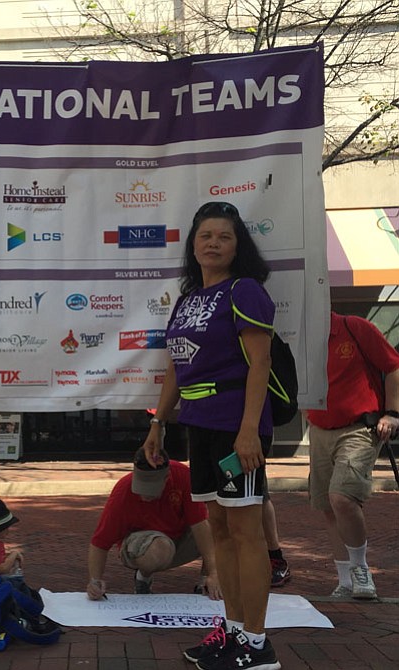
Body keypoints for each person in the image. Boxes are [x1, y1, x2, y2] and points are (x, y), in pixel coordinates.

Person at [143, 201, 280, 670]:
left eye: (224, 236)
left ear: (238, 245)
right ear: (193, 245)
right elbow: (175, 369)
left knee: (246, 534)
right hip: (198, 427)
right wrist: (159, 422)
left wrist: (248, 433)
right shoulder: (186, 300)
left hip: (235, 428)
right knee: (220, 532)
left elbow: (260, 364)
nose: (213, 243)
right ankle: (236, 632)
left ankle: (258, 646)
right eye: (206, 236)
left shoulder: (245, 292)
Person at [306, 311, 399, 599]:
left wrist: (393, 413)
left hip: (360, 428)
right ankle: (345, 580)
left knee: (342, 498)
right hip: (319, 429)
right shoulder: (299, 336)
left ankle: (360, 569)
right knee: (328, 506)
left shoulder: (354, 327)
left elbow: (393, 366)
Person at [86, 446, 222, 601]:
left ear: (166, 478)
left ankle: (205, 583)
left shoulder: (183, 476)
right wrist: (94, 581)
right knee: (159, 546)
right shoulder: (123, 491)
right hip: (143, 546)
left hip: (180, 537)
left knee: (218, 524)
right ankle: (143, 577)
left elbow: (200, 525)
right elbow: (100, 542)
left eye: (151, 488)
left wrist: (213, 573)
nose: (144, 495)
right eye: (141, 486)